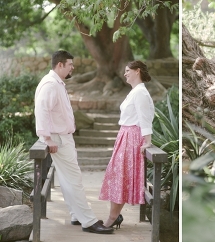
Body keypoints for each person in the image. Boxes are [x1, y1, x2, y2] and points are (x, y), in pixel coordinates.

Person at [34, 50, 114, 234]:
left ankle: (76, 215)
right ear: (60, 65)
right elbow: (42, 110)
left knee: (67, 179)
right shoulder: (50, 84)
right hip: (58, 139)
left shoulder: (56, 83)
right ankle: (89, 221)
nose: (73, 67)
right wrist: (46, 138)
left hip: (61, 137)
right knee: (74, 179)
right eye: (70, 64)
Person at [99, 61, 155, 229]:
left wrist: (148, 141)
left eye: (127, 71)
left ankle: (112, 217)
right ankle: (114, 216)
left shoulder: (140, 93)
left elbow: (144, 119)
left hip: (131, 138)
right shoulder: (135, 92)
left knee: (119, 177)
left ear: (137, 71)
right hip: (125, 136)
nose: (125, 74)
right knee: (116, 176)